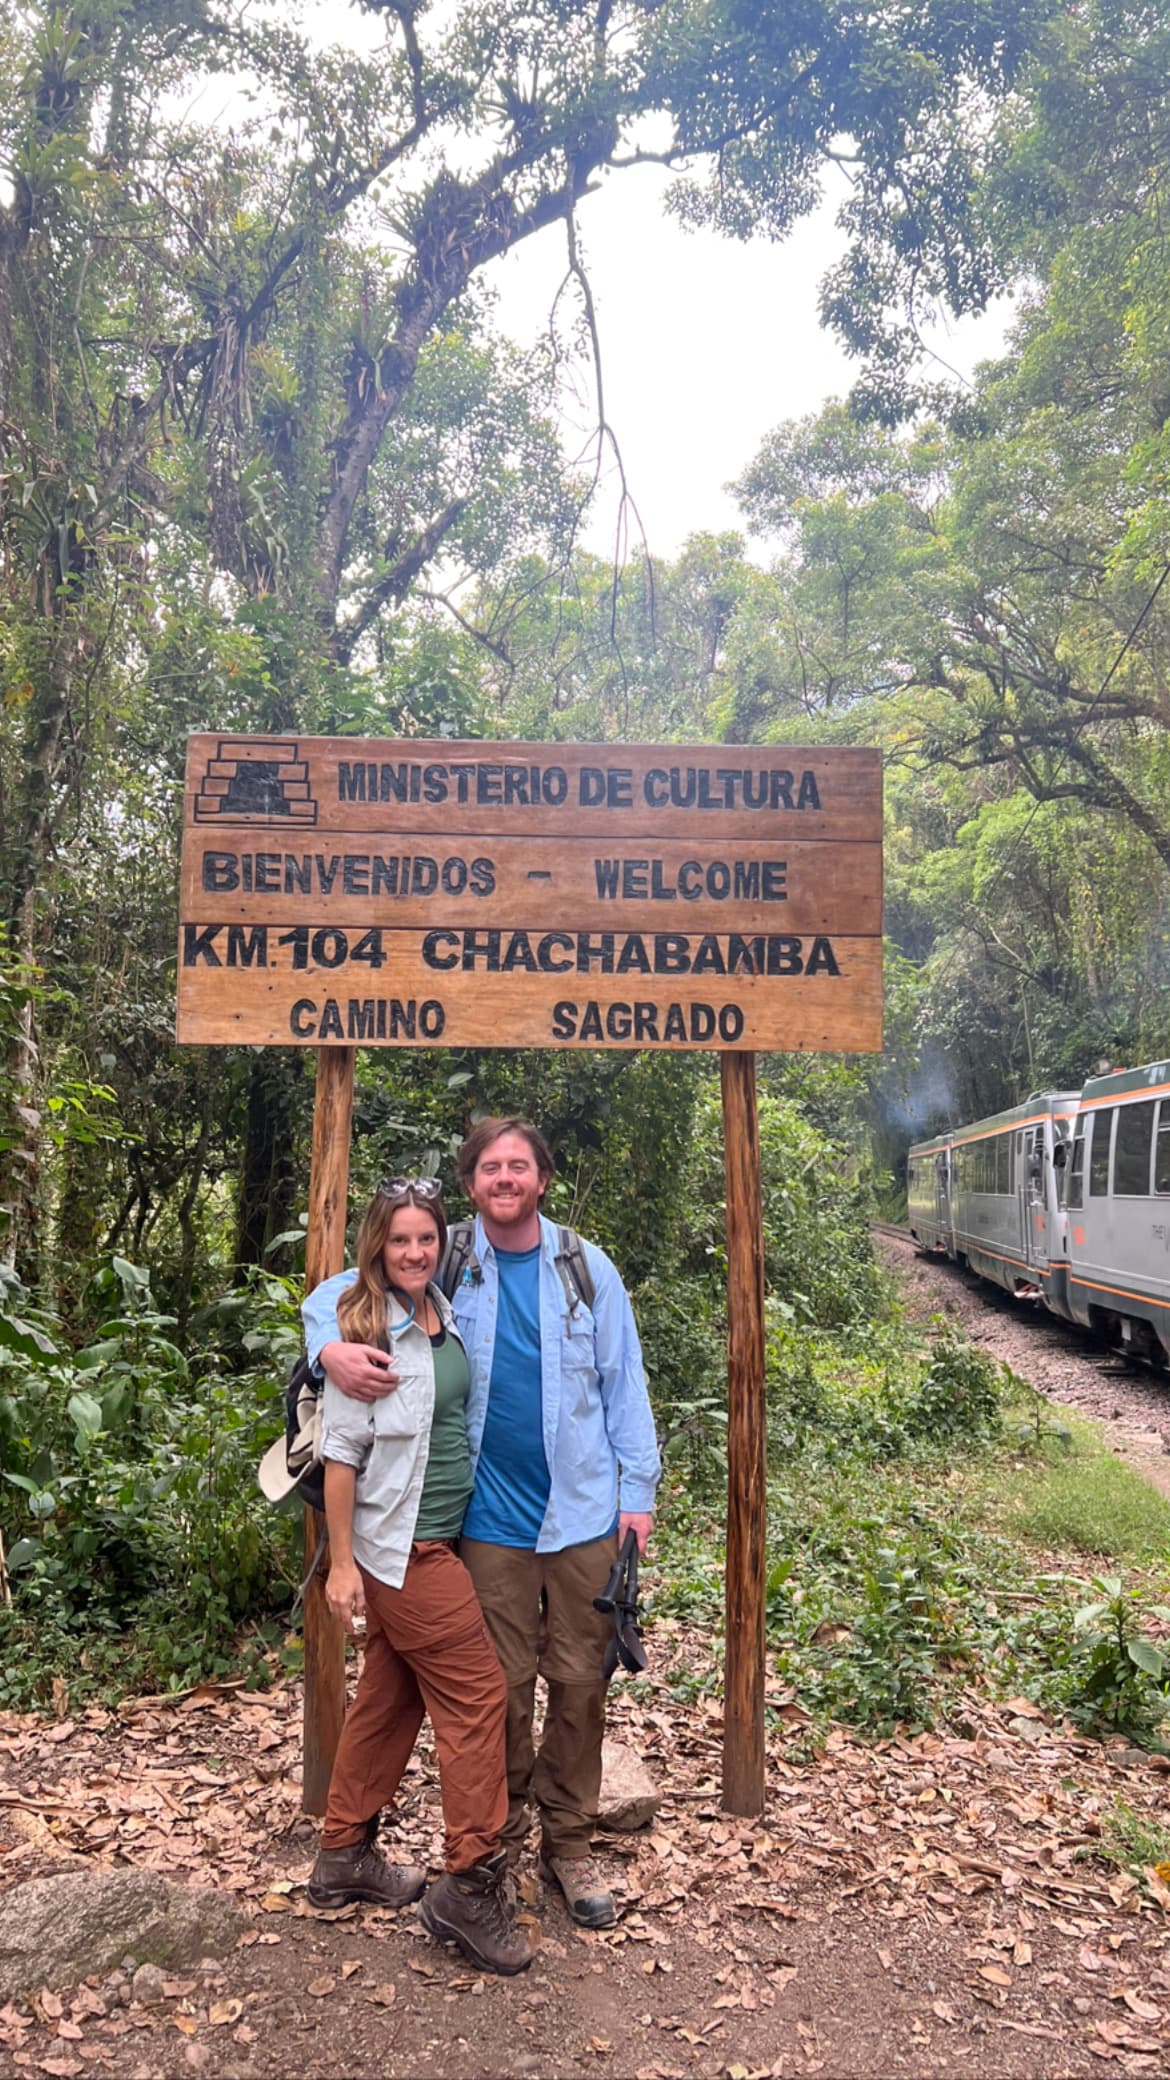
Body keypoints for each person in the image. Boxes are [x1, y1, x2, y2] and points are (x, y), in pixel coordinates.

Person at [305, 1119, 661, 1930]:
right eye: (490, 1167)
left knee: (579, 1684)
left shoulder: (583, 1267)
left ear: (542, 1179)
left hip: (582, 1513)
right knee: (493, 1689)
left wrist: (636, 1497)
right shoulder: (443, 1257)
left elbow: (624, 1382)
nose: (505, 1178)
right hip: (484, 1523)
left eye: (520, 1166)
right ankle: (489, 1848)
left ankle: (566, 1845)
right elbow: (331, 1297)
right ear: (471, 1184)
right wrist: (328, 1352)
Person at [302, 1177, 531, 1977]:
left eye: (425, 1239)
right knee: (476, 1696)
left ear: (442, 1244)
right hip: (403, 1551)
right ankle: (467, 1888)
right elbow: (340, 1456)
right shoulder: (363, 1328)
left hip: (442, 1537)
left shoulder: (441, 1309)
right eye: (398, 1240)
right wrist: (340, 1566)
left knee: (391, 1695)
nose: (413, 1252)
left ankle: (342, 1855)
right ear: (377, 1244)